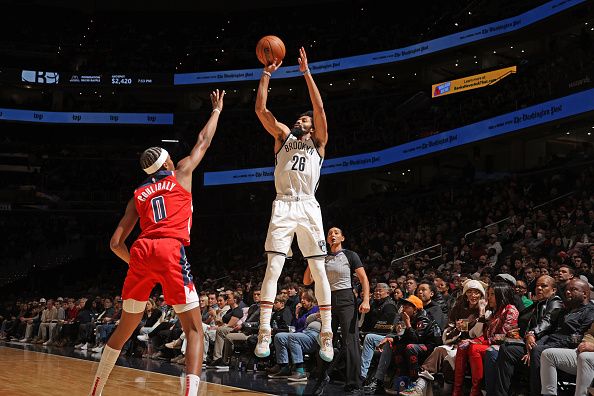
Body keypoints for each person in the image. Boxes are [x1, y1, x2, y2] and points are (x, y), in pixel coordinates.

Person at [87, 89, 225, 396]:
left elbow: (114, 243)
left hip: (141, 251)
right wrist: (216, 111)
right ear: (168, 163)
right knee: (194, 329)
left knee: (124, 329)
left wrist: (134, 262)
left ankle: (95, 390)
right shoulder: (182, 173)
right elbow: (203, 141)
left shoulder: (137, 195)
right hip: (168, 248)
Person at [254, 47, 333, 362]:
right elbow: (261, 110)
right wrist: (266, 74)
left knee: (318, 269)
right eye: (299, 118)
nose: (301, 120)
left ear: (312, 127)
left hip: (309, 206)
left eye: (305, 119)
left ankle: (326, 335)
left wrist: (306, 73)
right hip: (283, 205)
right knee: (274, 266)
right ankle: (263, 332)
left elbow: (319, 106)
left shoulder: (319, 144)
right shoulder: (283, 137)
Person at [303, 226, 370, 392]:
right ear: (327, 240)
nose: (332, 235)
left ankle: (353, 382)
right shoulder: (322, 258)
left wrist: (366, 299)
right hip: (327, 300)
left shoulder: (350, 255)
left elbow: (363, 279)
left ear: (342, 238)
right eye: (330, 233)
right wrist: (313, 259)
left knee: (351, 340)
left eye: (336, 233)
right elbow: (306, 281)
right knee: (325, 340)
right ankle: (321, 378)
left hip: (346, 298)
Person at [452, 282, 519, 396]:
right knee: (463, 346)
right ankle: (457, 390)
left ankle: (475, 390)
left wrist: (477, 341)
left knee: (474, 348)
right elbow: (486, 334)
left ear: (501, 295)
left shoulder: (510, 310)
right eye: (488, 294)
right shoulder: (496, 310)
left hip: (503, 346)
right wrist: (473, 340)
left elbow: (503, 336)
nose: (488, 297)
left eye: (492, 294)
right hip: (490, 342)